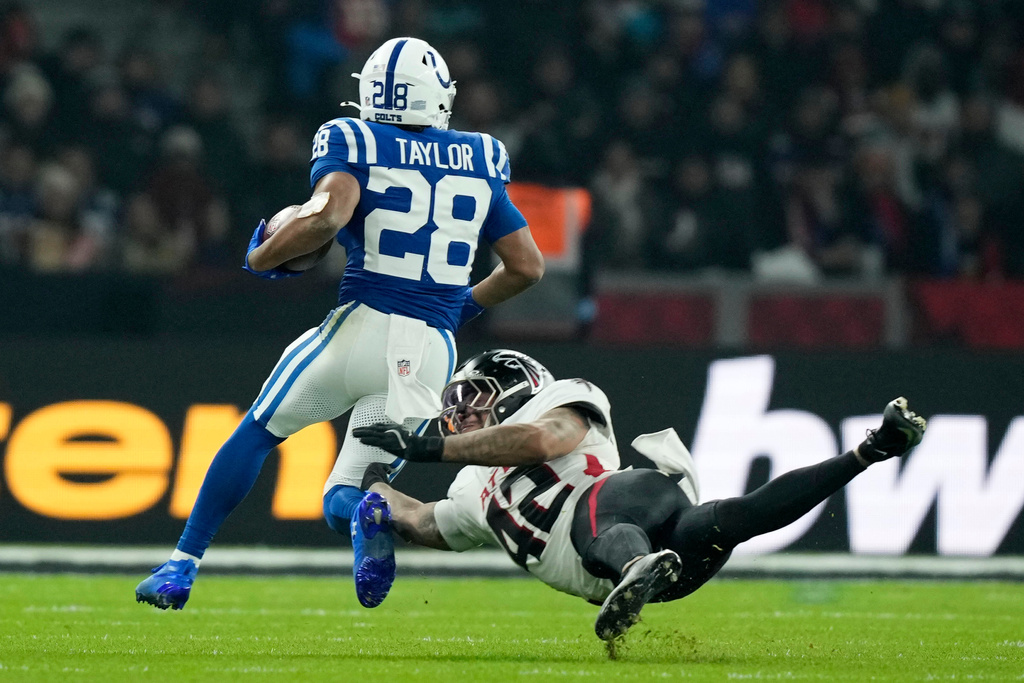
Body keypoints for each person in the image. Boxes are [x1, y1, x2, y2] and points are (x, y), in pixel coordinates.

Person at [135, 38, 545, 611]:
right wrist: (462, 306)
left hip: (362, 327)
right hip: (431, 349)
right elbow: (527, 265)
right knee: (349, 493)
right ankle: (369, 514)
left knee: (257, 432)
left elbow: (329, 213)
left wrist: (261, 256)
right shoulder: (481, 154)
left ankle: (182, 564)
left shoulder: (353, 137)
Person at [352, 349, 928, 640]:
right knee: (731, 521)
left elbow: (537, 440)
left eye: (476, 398)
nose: (461, 414)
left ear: (517, 389)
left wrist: (426, 448)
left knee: (598, 510)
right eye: (456, 406)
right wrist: (369, 493)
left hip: (630, 505)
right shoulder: (469, 488)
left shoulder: (559, 401)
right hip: (651, 575)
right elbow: (429, 523)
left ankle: (871, 448)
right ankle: (873, 450)